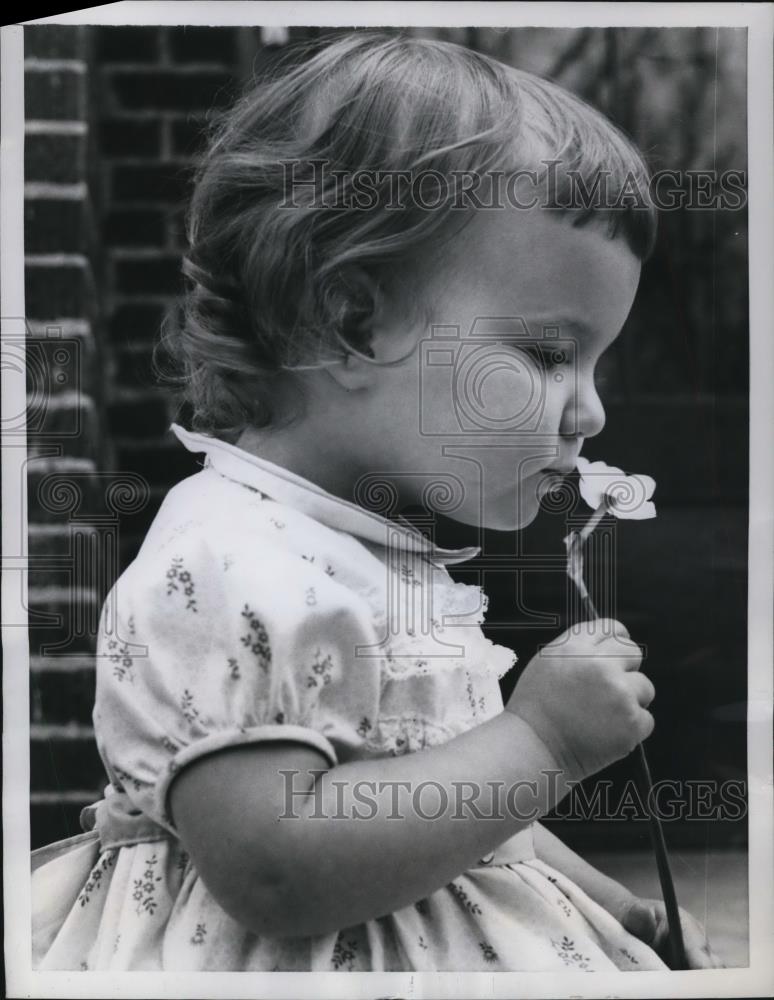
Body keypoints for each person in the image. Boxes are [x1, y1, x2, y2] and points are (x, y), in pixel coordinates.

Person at [31, 31, 723, 972]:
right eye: (550, 356)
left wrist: (613, 911)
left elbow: (450, 813)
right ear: (353, 321)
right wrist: (542, 743)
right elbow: (275, 868)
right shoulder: (231, 563)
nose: (589, 411)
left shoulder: (375, 556)